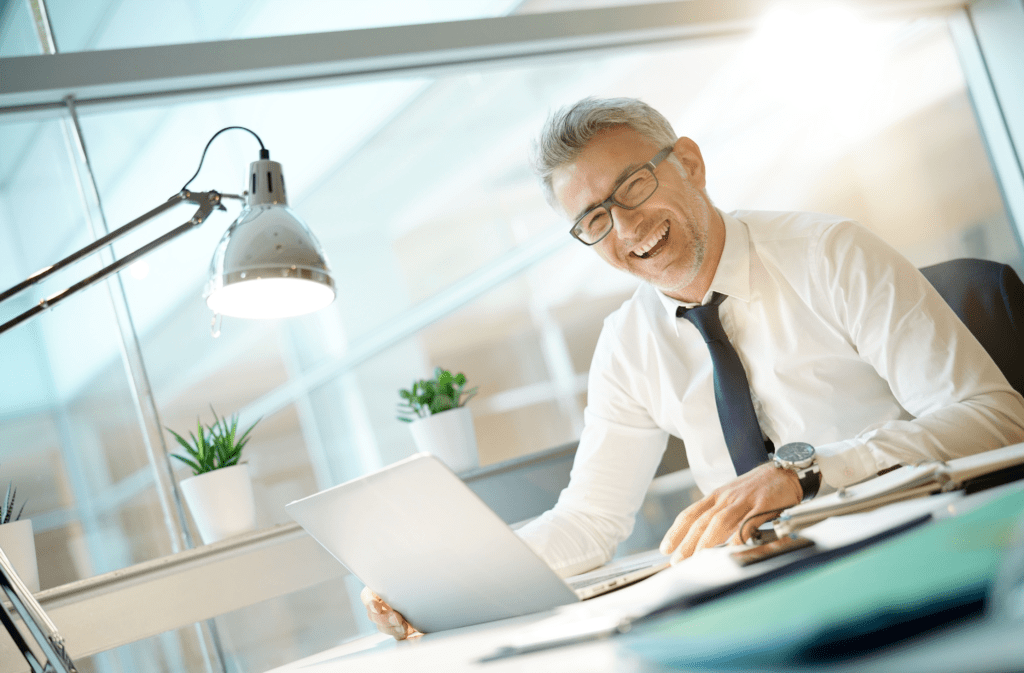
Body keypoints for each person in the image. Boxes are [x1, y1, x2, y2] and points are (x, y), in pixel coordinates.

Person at [362, 97, 1024, 639]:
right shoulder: (628, 343)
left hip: (922, 554)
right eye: (595, 219)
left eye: (634, 187)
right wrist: (449, 583)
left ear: (689, 163)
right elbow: (589, 519)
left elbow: (996, 417)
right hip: (765, 595)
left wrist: (806, 474)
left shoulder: (831, 254)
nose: (626, 228)